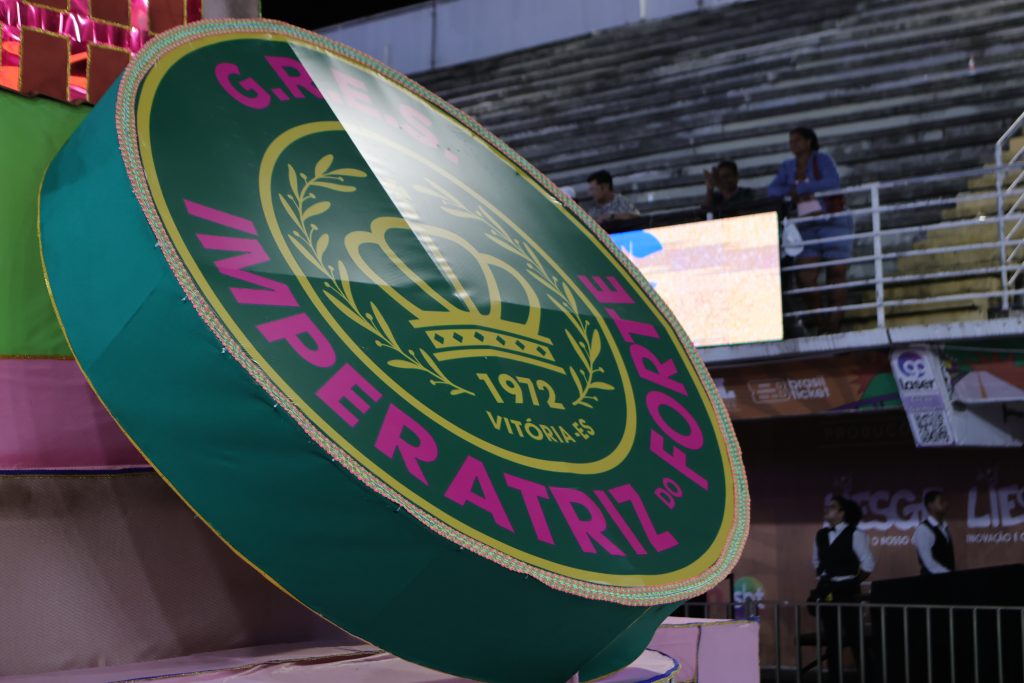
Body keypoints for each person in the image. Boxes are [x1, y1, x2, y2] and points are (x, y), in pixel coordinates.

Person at [767, 128, 853, 334]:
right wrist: (793, 189)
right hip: (805, 226)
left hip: (832, 222)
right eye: (790, 141)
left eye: (797, 140)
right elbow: (772, 190)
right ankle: (821, 324)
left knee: (836, 274)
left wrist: (802, 188)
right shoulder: (788, 167)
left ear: (808, 142)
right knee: (805, 278)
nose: (793, 144)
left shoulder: (822, 160)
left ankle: (834, 325)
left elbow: (832, 182)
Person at [810, 496, 874, 682]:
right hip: (827, 589)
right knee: (832, 637)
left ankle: (868, 676)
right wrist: (823, 579)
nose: (827, 509)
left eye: (833, 507)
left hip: (847, 590)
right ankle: (834, 677)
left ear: (842, 513)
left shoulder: (856, 534)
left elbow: (868, 564)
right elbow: (816, 561)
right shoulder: (821, 535)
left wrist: (853, 582)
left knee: (855, 636)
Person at [912, 490, 955, 575]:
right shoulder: (923, 529)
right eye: (941, 501)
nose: (946, 504)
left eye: (946, 501)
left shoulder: (944, 527)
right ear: (930, 505)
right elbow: (929, 564)